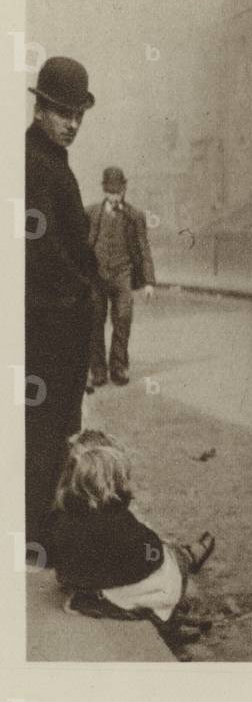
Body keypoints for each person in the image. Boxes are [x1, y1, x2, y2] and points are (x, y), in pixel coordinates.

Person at [25, 56, 100, 548]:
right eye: (62, 113)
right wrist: (81, 290)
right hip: (47, 323)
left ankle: (43, 528)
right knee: (46, 429)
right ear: (41, 109)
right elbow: (39, 245)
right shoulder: (34, 162)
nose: (72, 124)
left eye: (78, 115)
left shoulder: (49, 157)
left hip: (56, 321)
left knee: (55, 428)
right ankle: (37, 534)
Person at [44, 430, 217, 643]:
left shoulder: (63, 512)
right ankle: (165, 612)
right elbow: (147, 557)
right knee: (168, 566)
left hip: (79, 577)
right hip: (104, 590)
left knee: (149, 553)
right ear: (110, 482)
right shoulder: (114, 520)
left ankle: (171, 584)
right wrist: (159, 550)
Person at [85, 166, 156, 387]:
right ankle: (98, 370)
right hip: (96, 276)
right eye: (111, 192)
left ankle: (118, 368)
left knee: (123, 319)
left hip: (122, 275)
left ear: (124, 189)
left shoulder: (135, 216)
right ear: (104, 190)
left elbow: (144, 249)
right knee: (95, 322)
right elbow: (79, 244)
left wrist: (149, 282)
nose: (115, 197)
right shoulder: (91, 213)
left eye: (118, 192)